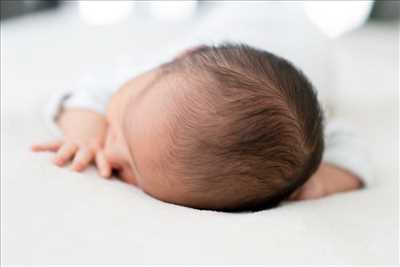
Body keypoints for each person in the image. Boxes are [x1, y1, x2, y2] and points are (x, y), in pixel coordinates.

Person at [31, 3, 372, 211]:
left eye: (129, 167)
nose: (111, 147)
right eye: (118, 124)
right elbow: (87, 90)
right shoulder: (151, 74)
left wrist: (319, 181)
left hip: (309, 41)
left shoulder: (303, 133)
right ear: (176, 59)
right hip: (242, 15)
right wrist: (84, 132)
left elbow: (353, 153)